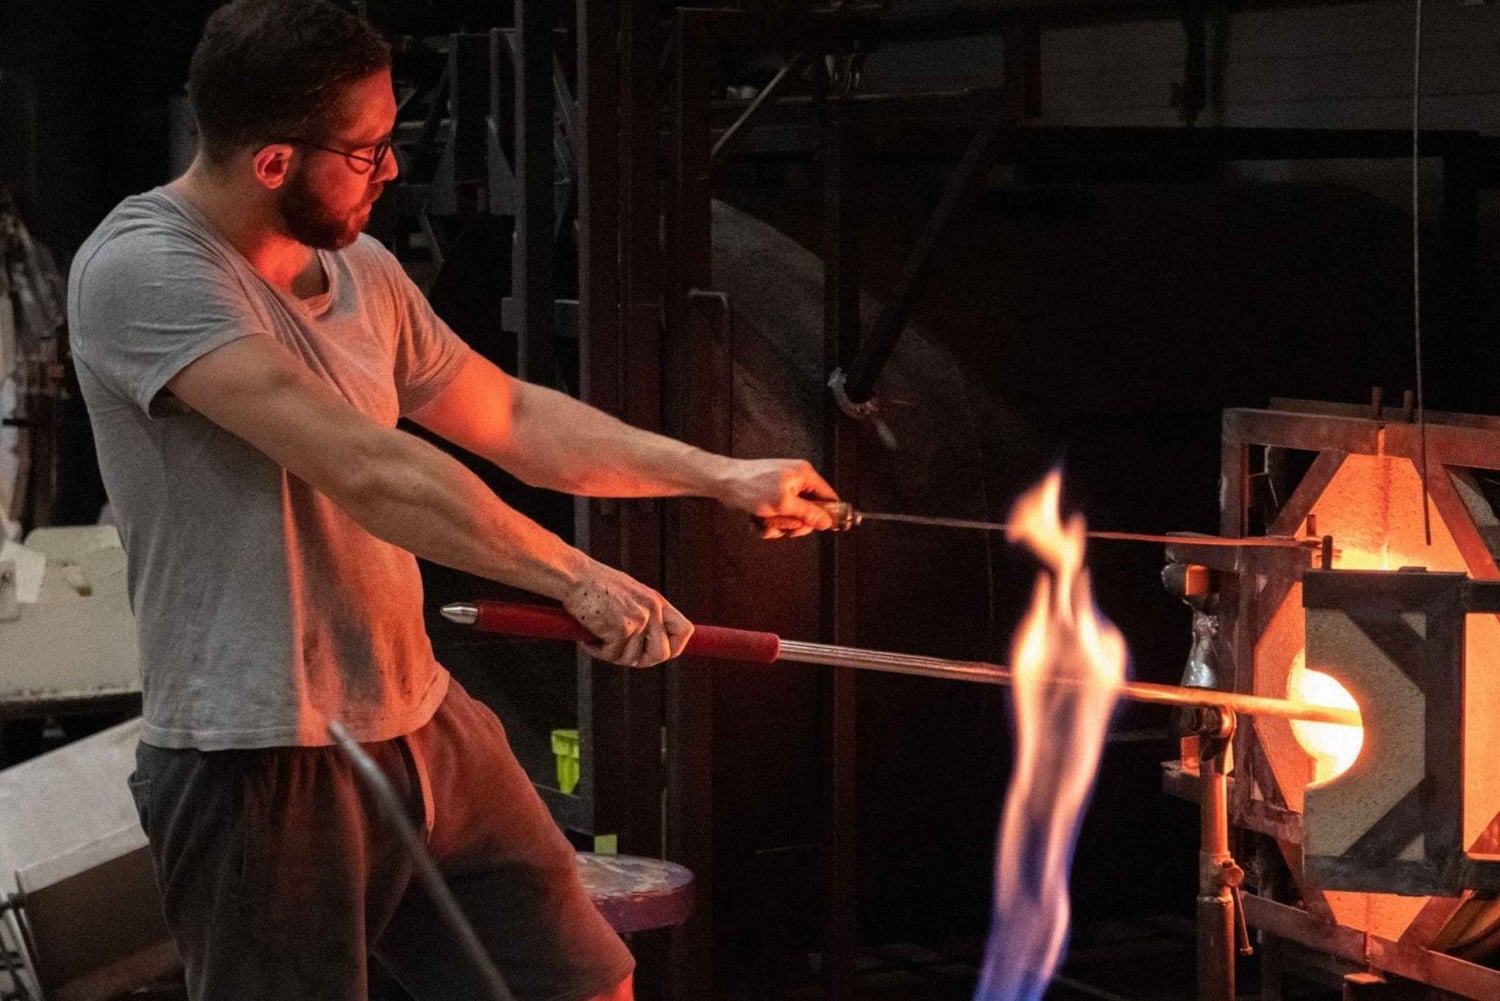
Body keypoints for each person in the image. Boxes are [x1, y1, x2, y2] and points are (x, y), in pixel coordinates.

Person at [65, 2, 837, 999]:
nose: (391, 170)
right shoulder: (145, 273)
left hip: (422, 719)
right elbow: (370, 470)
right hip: (259, 754)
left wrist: (719, 473)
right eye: (368, 149)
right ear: (271, 163)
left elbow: (511, 413)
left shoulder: (363, 270)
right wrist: (576, 576)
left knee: (584, 981)